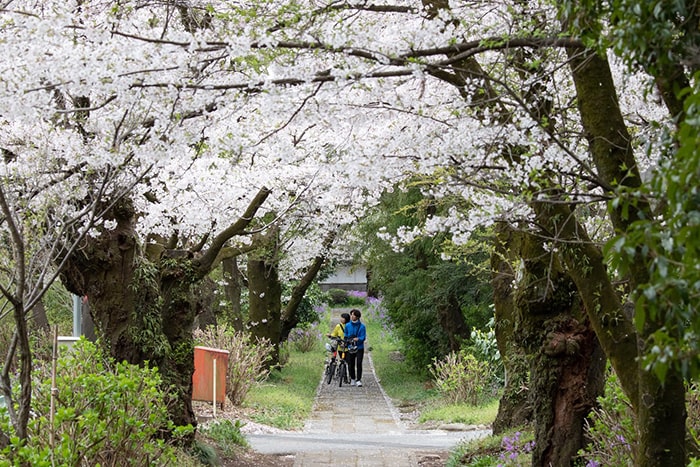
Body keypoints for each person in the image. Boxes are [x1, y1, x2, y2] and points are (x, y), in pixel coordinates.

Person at [344, 308, 367, 387]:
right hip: (350, 347)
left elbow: (363, 337)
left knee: (359, 363)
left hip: (359, 347)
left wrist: (358, 339)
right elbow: (345, 335)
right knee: (350, 364)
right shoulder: (347, 325)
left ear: (357, 316)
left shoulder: (362, 326)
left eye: (353, 315)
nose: (352, 316)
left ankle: (358, 379)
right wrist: (346, 341)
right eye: (351, 315)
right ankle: (352, 378)